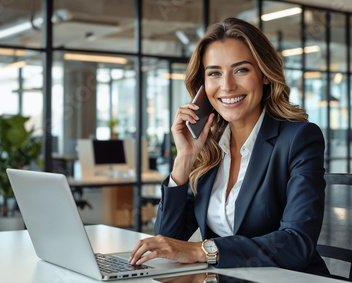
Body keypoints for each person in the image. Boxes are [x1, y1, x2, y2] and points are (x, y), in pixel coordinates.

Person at [129, 17, 330, 276]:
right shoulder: (211, 150)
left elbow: (295, 243)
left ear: (265, 75)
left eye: (241, 70)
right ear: (203, 86)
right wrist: (184, 159)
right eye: (214, 73)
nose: (227, 86)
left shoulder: (299, 138)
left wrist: (204, 250)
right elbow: (169, 240)